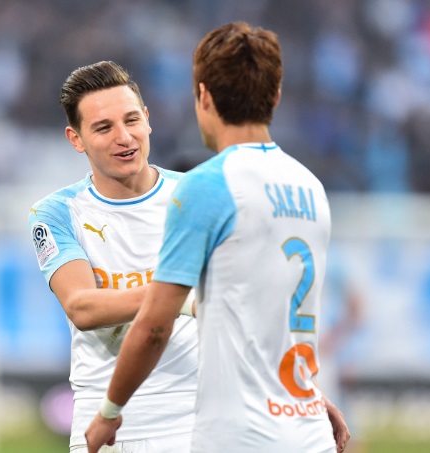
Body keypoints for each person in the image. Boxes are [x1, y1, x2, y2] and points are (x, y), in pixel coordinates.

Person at [85, 22, 350, 453]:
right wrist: (314, 397)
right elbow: (271, 323)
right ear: (275, 96)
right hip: (308, 433)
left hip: (241, 438)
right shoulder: (310, 187)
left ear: (203, 95)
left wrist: (109, 412)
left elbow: (154, 325)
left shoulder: (208, 185)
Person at [28, 61, 199, 452]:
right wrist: (179, 298)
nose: (124, 137)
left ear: (148, 120)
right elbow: (82, 307)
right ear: (76, 139)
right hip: (106, 425)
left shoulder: (198, 195)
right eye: (104, 128)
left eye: (131, 120)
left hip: (196, 416)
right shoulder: (56, 212)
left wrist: (303, 391)